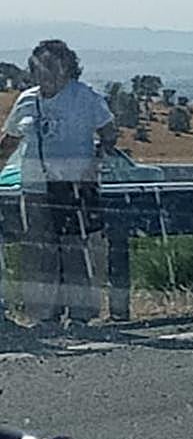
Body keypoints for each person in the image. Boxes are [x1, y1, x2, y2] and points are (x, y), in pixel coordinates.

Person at [0, 40, 116, 330]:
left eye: (54, 65)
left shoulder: (85, 97)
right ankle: (45, 316)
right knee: (40, 252)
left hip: (74, 186)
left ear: (68, 67)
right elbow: (9, 141)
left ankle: (80, 315)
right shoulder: (26, 100)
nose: (47, 72)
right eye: (41, 66)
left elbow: (109, 132)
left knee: (75, 250)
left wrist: (96, 162)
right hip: (36, 188)